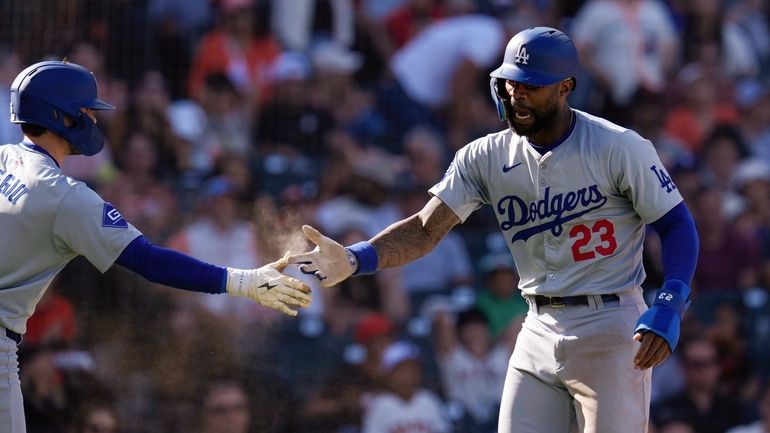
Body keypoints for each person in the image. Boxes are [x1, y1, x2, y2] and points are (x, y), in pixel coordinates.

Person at [289, 27, 700, 433]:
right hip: (536, 325)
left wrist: (670, 301)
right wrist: (355, 257)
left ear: (565, 87)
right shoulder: (484, 155)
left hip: (609, 324)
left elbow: (677, 224)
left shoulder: (618, 146)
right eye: (508, 83)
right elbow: (425, 229)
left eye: (530, 86)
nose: (515, 95)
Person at [0, 60, 312, 432]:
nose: (94, 120)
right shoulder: (65, 196)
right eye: (85, 110)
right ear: (59, 115)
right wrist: (242, 281)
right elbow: (148, 260)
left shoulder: (3, 156)